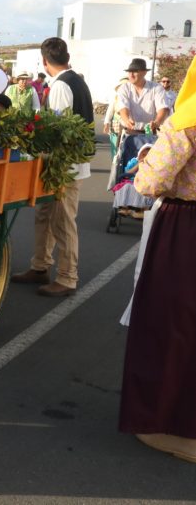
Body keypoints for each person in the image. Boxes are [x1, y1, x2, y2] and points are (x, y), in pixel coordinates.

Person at [118, 53, 196, 464]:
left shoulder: (187, 119)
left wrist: (146, 159)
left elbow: (152, 182)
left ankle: (169, 426)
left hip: (185, 229)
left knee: (170, 324)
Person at [12, 37, 93, 297]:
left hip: (64, 166)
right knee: (45, 216)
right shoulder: (77, 81)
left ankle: (68, 277)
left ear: (45, 61)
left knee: (62, 221)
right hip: (66, 164)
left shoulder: (60, 86)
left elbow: (56, 130)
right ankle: (40, 266)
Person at [117, 58, 169, 134]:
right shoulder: (124, 88)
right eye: (129, 72)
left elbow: (162, 108)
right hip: (130, 129)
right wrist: (127, 120)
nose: (131, 75)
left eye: (135, 71)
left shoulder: (156, 88)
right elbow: (123, 107)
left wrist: (156, 122)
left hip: (150, 131)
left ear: (144, 73)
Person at [103, 79, 128, 159]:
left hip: (128, 125)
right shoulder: (116, 98)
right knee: (115, 145)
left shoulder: (132, 98)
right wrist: (106, 123)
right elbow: (110, 111)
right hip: (116, 125)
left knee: (126, 145)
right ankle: (115, 162)